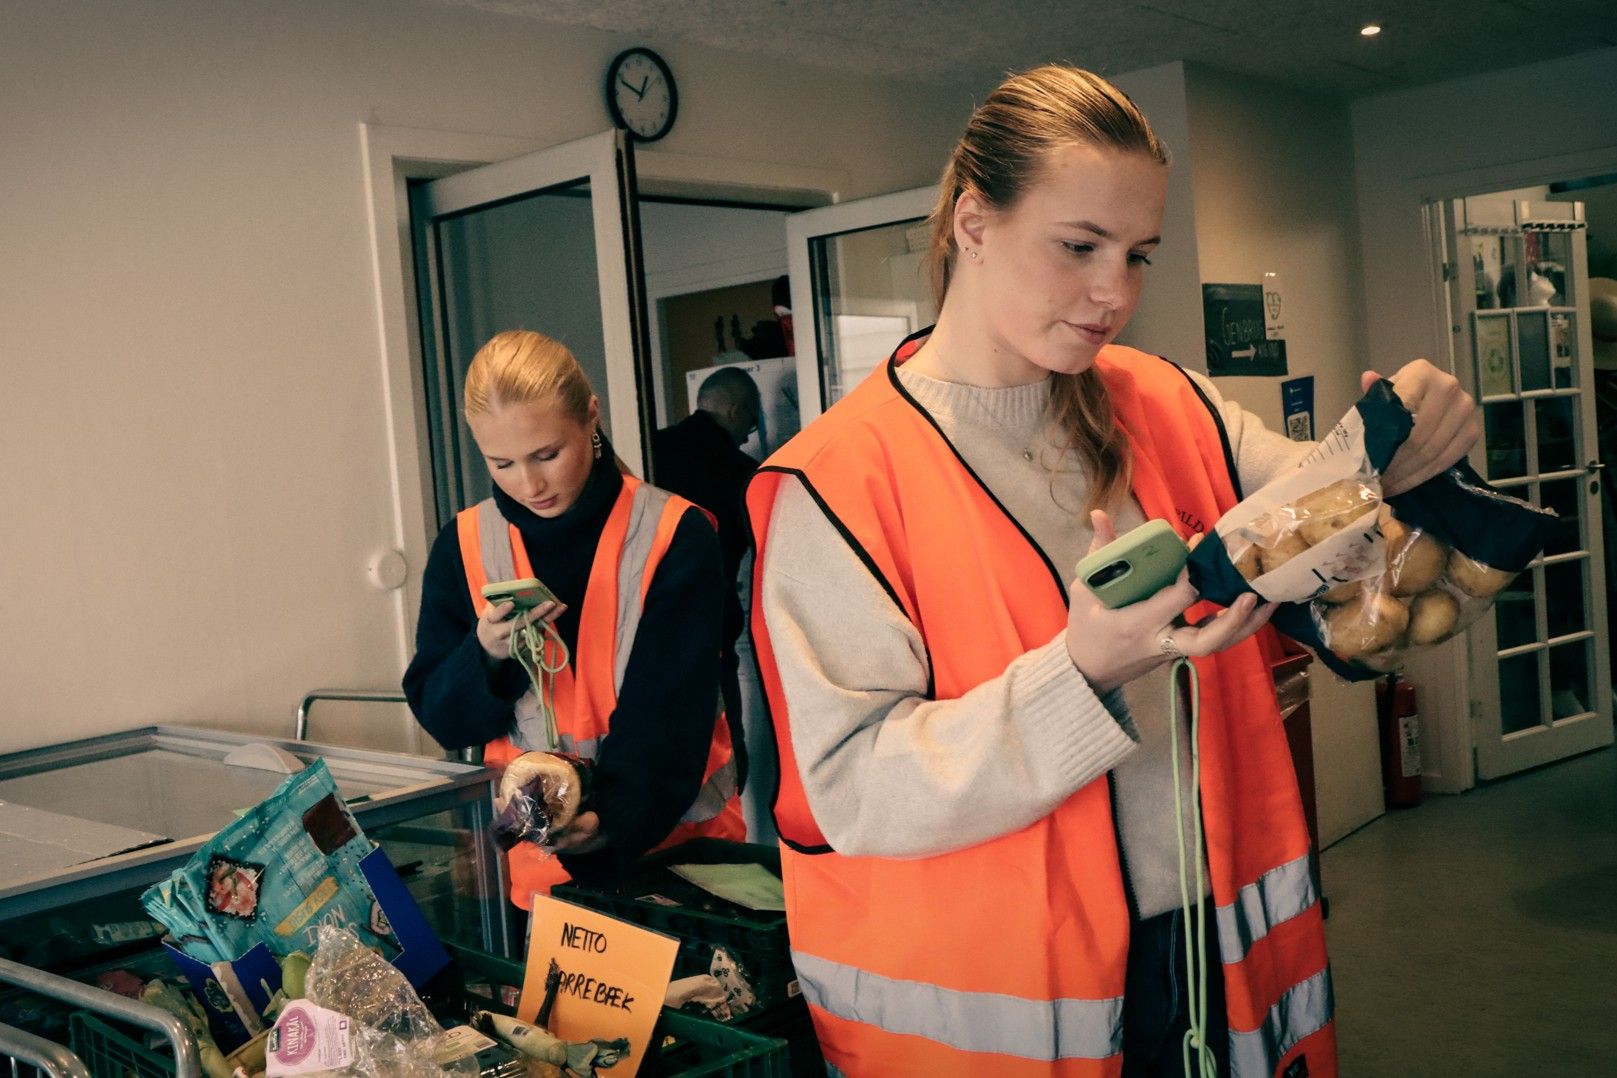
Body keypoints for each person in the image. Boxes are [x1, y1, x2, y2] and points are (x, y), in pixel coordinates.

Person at [747, 66, 1479, 1078]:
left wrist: (1401, 456)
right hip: (1007, 1003)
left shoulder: (1171, 401)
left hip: (1213, 955)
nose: (1117, 294)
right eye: (1079, 246)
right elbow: (854, 790)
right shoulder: (834, 482)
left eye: (1137, 255)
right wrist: (1080, 672)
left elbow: (1337, 528)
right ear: (973, 224)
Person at [404, 329, 746, 915]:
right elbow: (445, 720)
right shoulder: (463, 543)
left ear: (591, 417)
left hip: (678, 862)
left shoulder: (674, 534)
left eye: (547, 455)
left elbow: (671, 712)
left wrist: (607, 821)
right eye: (501, 463)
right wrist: (484, 655)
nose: (529, 485)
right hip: (535, 877)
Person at [652, 365, 763, 788]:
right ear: (735, 410)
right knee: (725, 750)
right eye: (750, 420)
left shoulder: (651, 448)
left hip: (650, 622)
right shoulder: (743, 472)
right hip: (712, 625)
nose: (749, 435)